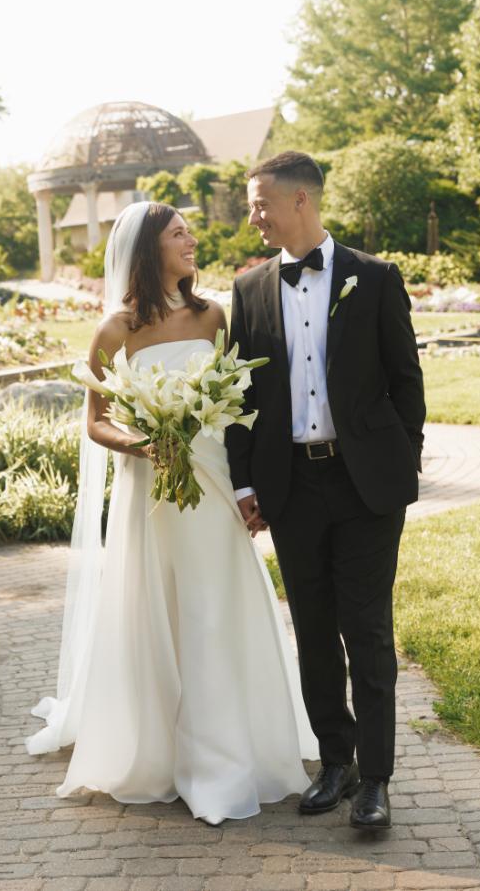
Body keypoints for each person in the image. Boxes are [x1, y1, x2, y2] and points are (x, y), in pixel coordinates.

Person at [25, 200, 318, 826]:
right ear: (148, 250)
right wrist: (146, 442)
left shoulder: (214, 314)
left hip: (209, 484)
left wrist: (245, 484)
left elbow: (241, 398)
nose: (191, 240)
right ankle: (157, 748)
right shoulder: (114, 329)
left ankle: (223, 756)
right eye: (178, 233)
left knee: (215, 608)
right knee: (157, 610)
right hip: (150, 493)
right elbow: (97, 423)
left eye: (189, 231)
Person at [226, 152, 426, 830]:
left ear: (300, 201)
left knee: (366, 631)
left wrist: (403, 465)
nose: (253, 215)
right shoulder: (248, 291)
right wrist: (246, 480)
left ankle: (375, 778)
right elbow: (241, 398)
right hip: (291, 486)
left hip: (366, 484)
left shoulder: (374, 278)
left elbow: (406, 381)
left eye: (260, 204)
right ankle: (333, 763)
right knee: (313, 630)